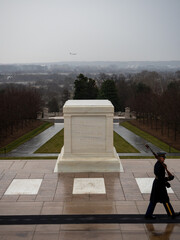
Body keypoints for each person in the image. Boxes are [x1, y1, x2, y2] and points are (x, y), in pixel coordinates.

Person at [145, 152, 179, 219]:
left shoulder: (158, 164)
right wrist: (168, 180)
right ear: (160, 158)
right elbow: (161, 178)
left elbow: (160, 177)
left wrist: (166, 179)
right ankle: (171, 214)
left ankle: (148, 214)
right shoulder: (160, 166)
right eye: (163, 158)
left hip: (157, 184)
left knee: (154, 200)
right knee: (165, 200)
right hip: (160, 186)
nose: (164, 159)